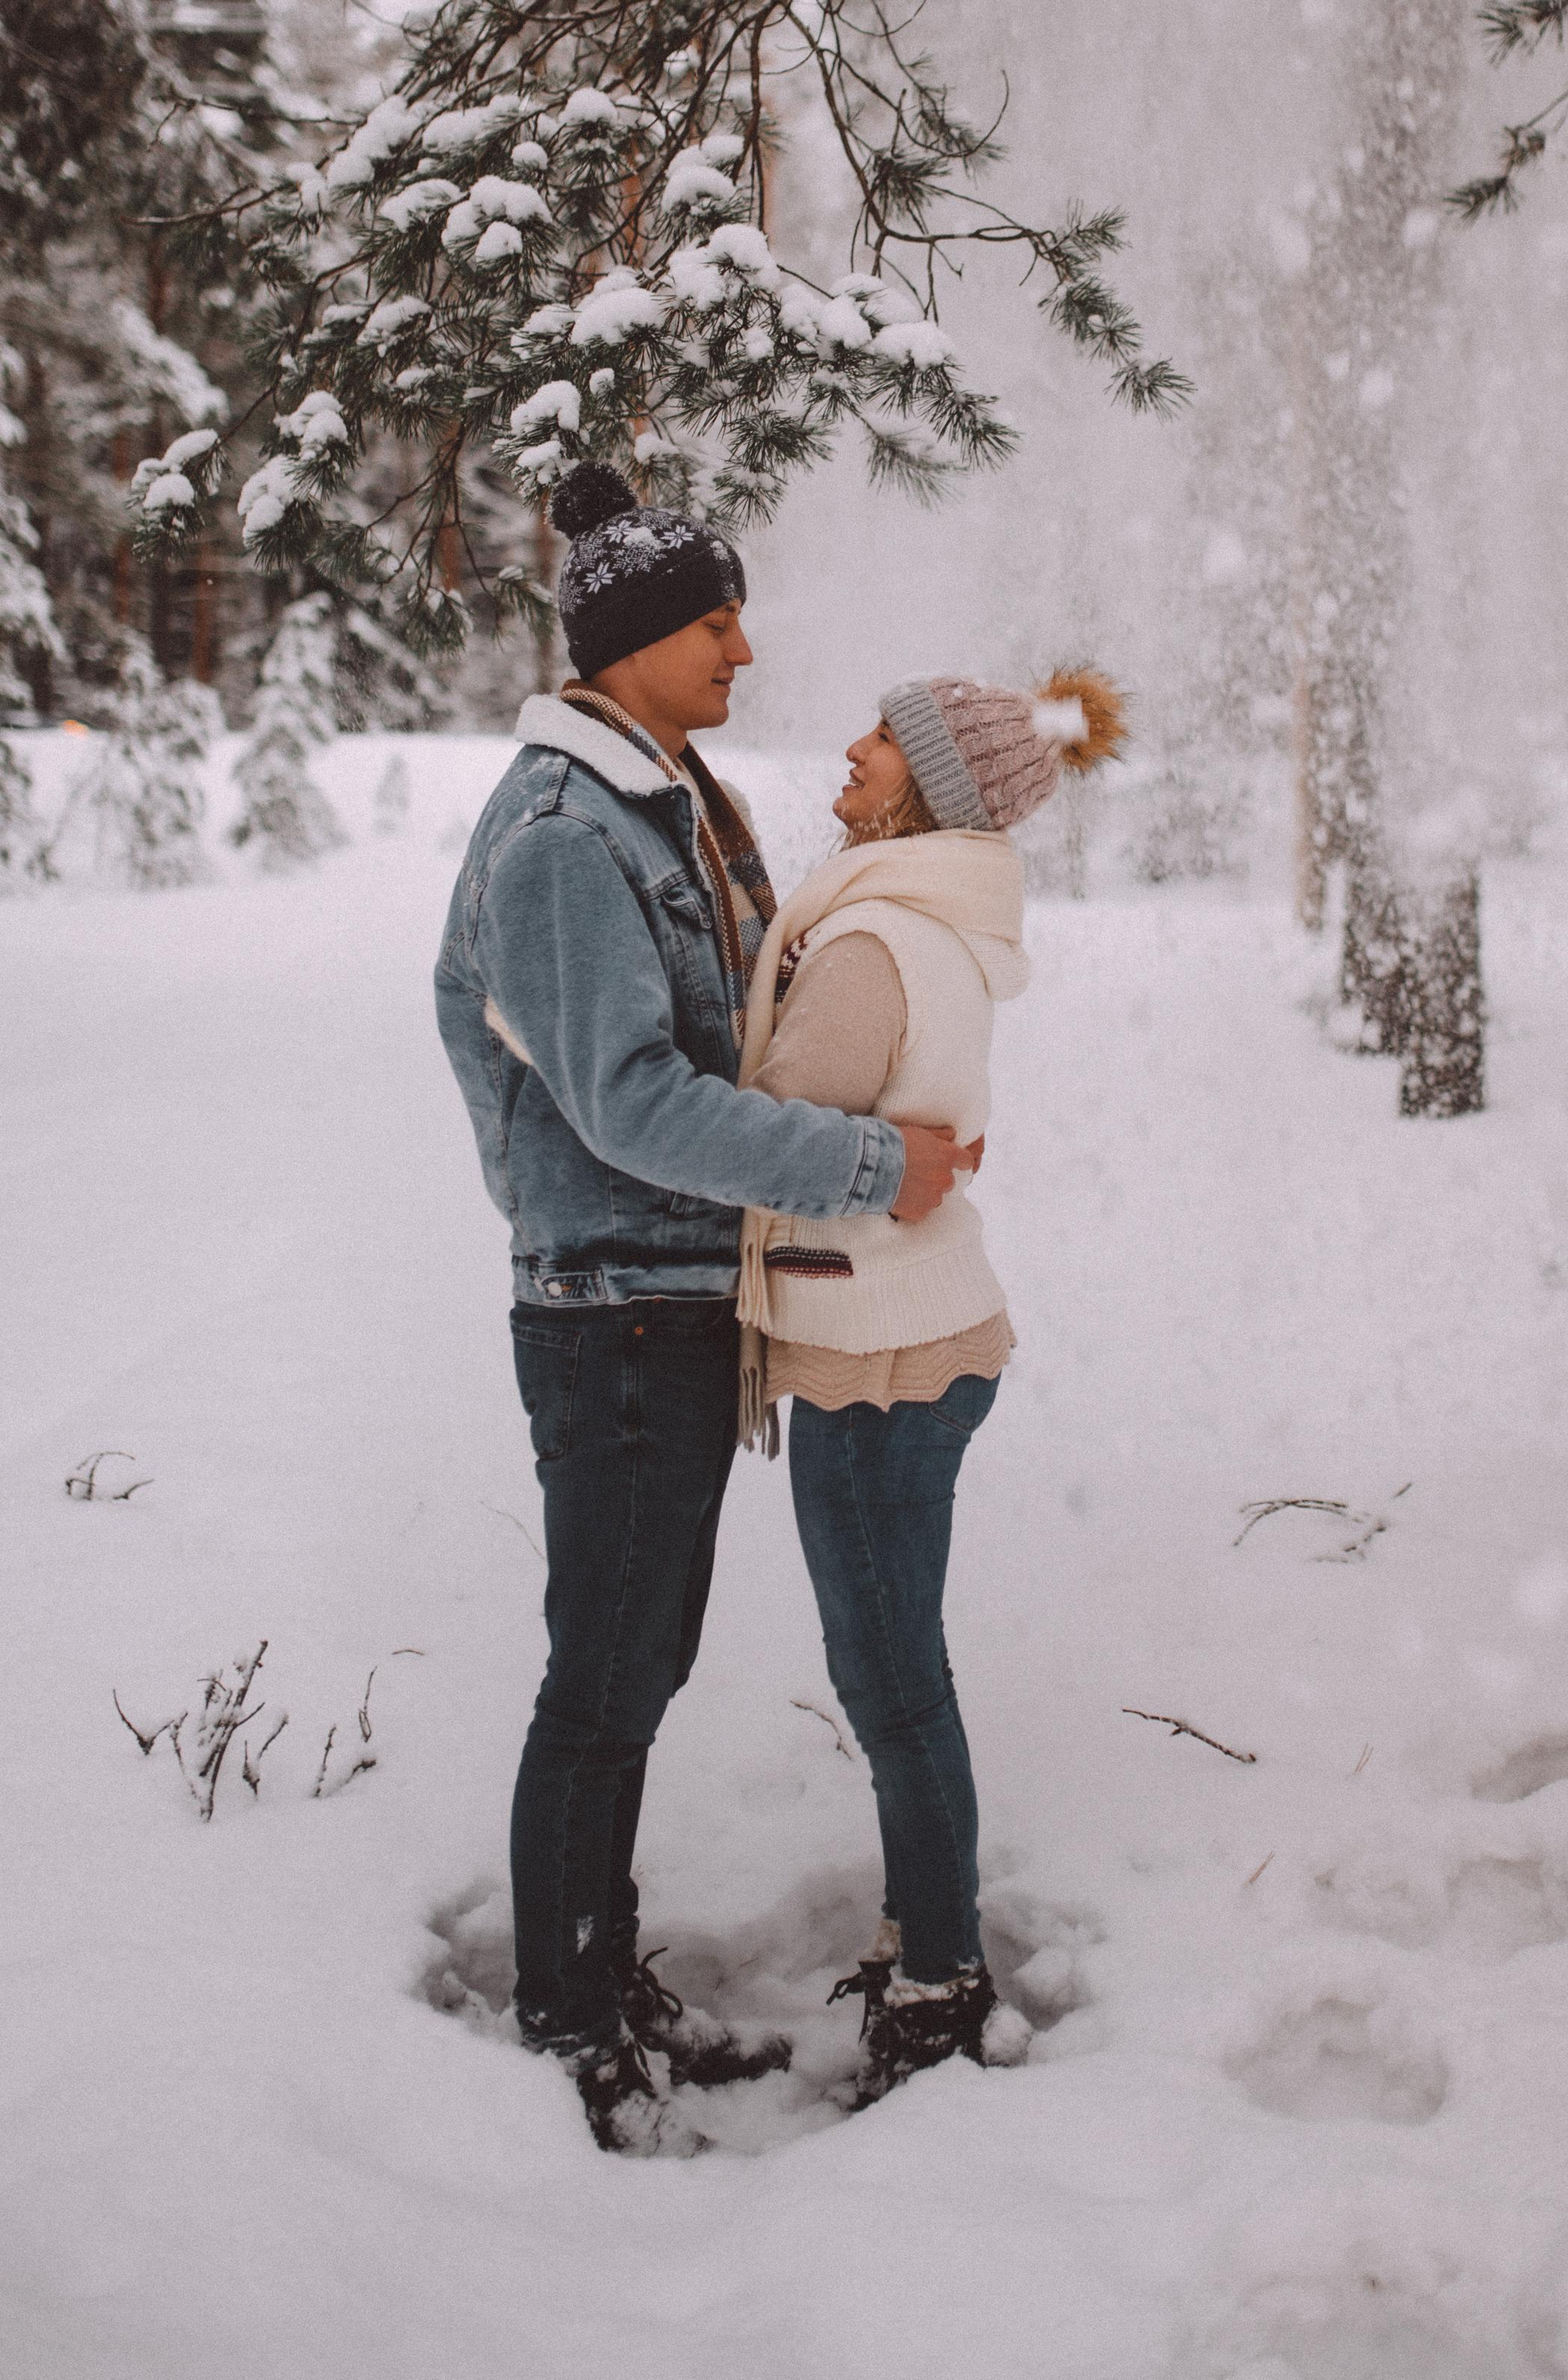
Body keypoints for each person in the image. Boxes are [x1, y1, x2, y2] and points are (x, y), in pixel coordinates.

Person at [434, 462, 976, 2150]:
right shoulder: (560, 835)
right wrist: (858, 1163)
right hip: (613, 1312)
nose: (744, 646)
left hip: (672, 1300)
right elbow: (632, 1102)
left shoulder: (663, 795)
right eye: (713, 620)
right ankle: (565, 2020)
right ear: (628, 643)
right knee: (601, 1672)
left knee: (633, 1658)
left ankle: (593, 1985)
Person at [739, 663, 1125, 2105]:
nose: (852, 748)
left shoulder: (873, 939)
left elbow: (767, 1127)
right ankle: (926, 1929)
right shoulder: (930, 923)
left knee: (891, 1681)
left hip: (875, 1359)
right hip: (917, 1337)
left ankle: (939, 1980)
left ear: (930, 788)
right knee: (903, 1671)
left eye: (882, 739)